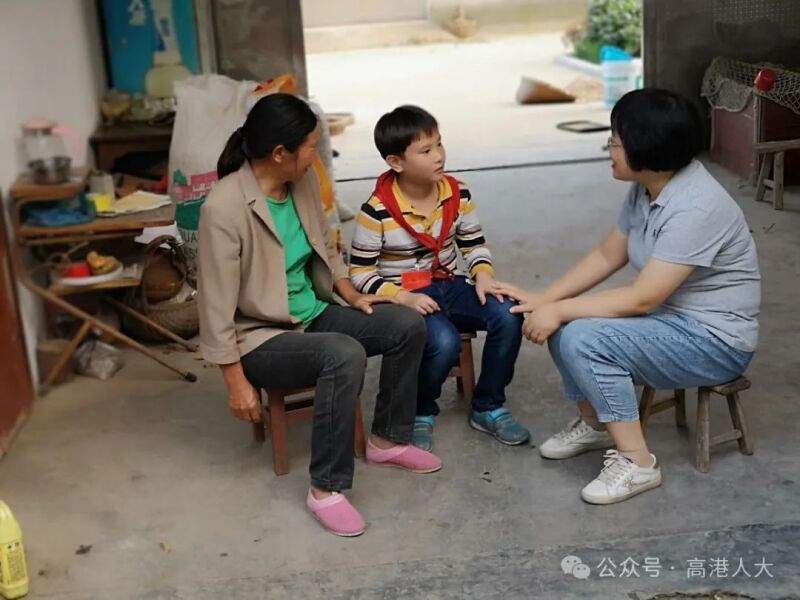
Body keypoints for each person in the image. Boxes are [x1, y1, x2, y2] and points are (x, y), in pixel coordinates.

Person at [494, 88, 761, 504]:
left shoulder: (696, 207)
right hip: (671, 322)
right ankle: (597, 424)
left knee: (583, 336)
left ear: (645, 147)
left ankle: (638, 463)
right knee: (564, 323)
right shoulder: (648, 186)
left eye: (615, 141)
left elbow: (642, 299)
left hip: (714, 342)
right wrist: (546, 299)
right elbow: (609, 253)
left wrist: (558, 309)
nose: (609, 149)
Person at [197, 94, 442, 537]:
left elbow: (325, 244)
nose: (317, 153)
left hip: (312, 312)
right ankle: (325, 488)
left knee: (405, 324)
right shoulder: (224, 208)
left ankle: (387, 440)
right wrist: (235, 381)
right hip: (259, 336)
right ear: (280, 153)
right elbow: (214, 304)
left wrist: (350, 293)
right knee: (342, 354)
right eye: (311, 145)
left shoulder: (303, 180)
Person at [350, 105, 528, 451]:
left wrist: (483, 275)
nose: (439, 156)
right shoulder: (376, 211)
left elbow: (473, 243)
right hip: (404, 296)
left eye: (439, 144)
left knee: (509, 313)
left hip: (448, 283)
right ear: (395, 162)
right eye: (426, 151)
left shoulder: (457, 192)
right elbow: (360, 273)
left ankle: (488, 405)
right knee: (444, 341)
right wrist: (402, 297)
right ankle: (421, 411)